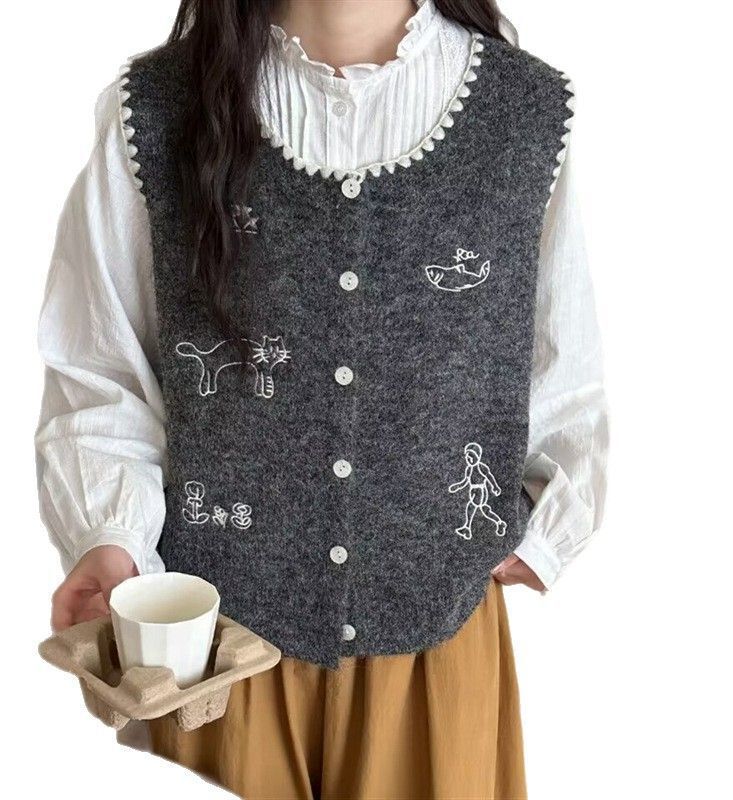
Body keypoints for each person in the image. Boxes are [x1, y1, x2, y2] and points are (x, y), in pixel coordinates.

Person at [35, 1, 609, 797]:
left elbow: (560, 364)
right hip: (212, 657)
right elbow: (104, 372)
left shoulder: (523, 115)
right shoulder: (158, 111)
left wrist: (547, 528)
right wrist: (111, 537)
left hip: (434, 658)